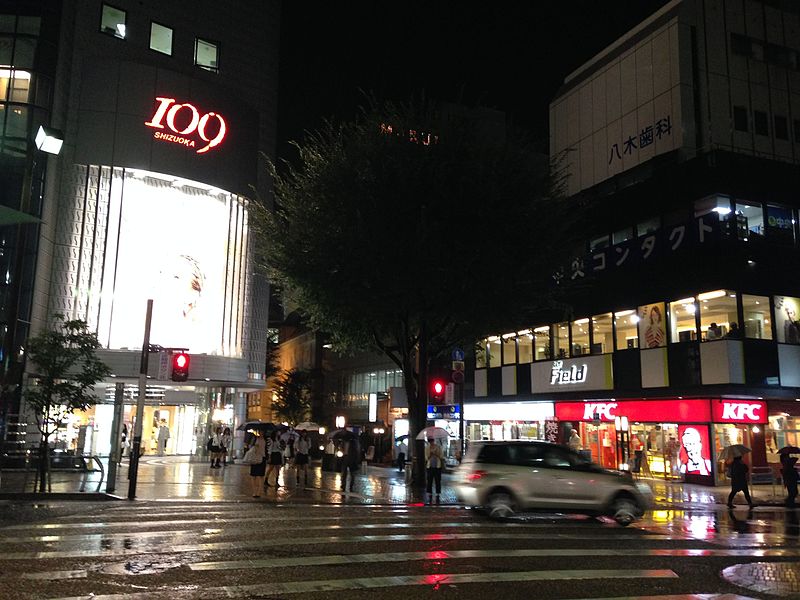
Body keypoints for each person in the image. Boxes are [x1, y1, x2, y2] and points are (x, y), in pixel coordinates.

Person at [246, 431, 267, 498]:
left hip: (262, 458)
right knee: (253, 475)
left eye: (262, 432)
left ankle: (259, 492)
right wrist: (254, 446)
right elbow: (249, 446)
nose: (261, 433)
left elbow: (268, 450)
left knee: (261, 475)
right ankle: (254, 491)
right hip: (255, 458)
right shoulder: (255, 439)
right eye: (260, 431)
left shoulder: (266, 440)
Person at [425, 438, 444, 503]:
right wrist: (430, 454)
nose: (431, 443)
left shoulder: (438, 447)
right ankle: (429, 493)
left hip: (437, 466)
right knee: (429, 480)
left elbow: (441, 456)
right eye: (430, 442)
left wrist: (436, 454)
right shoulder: (427, 448)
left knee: (437, 480)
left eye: (432, 441)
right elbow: (426, 457)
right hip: (430, 467)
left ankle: (438, 493)